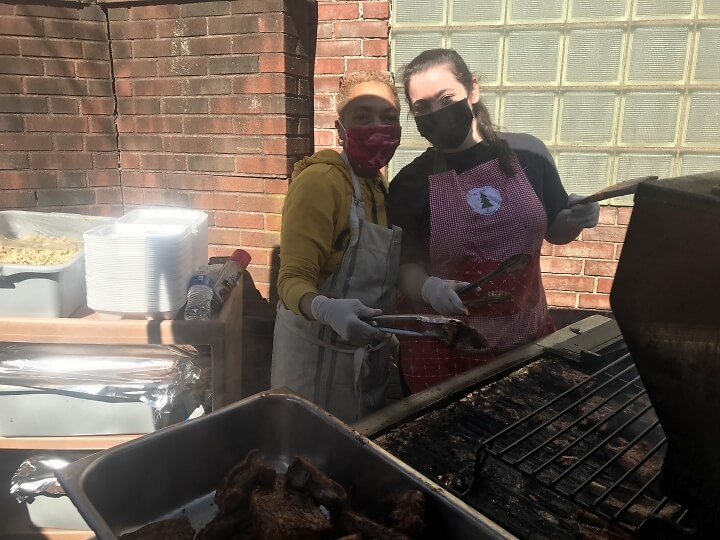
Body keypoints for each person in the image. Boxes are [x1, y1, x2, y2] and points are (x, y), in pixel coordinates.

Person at [388, 49, 600, 394]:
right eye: (422, 108)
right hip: (444, 357)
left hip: (527, 342)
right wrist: (428, 288)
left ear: (473, 89)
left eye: (446, 98)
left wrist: (578, 216)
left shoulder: (528, 154)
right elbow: (403, 266)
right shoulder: (410, 184)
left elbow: (556, 231)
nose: (437, 114)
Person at [271, 71, 403, 423]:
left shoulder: (379, 187)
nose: (378, 126)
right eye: (363, 117)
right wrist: (327, 310)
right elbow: (290, 282)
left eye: (389, 118)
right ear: (340, 128)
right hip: (312, 362)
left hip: (363, 365)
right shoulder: (320, 182)